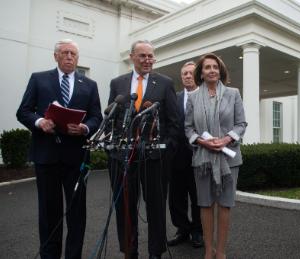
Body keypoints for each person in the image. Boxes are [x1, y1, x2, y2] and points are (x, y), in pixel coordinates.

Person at [16, 39, 102, 259]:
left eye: (73, 53)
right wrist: (39, 122)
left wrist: (84, 128)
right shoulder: (38, 79)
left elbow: (96, 117)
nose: (69, 57)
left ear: (78, 58)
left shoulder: (89, 85)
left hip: (77, 158)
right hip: (47, 157)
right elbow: (24, 111)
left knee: (76, 213)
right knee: (48, 213)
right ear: (55, 56)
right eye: (65, 52)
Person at [107, 40, 179, 259]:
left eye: (151, 56)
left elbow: (174, 122)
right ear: (132, 57)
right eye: (143, 56)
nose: (148, 60)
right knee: (125, 207)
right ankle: (130, 251)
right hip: (123, 158)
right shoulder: (117, 83)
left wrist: (164, 151)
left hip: (154, 158)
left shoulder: (165, 83)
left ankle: (155, 252)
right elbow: (111, 118)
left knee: (156, 208)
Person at [184, 53, 247, 259]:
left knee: (225, 204)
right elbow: (188, 128)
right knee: (205, 203)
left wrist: (226, 139)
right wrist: (202, 141)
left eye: (215, 67)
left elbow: (241, 124)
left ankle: (221, 252)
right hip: (202, 158)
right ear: (200, 73)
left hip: (229, 158)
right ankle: (208, 252)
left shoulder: (233, 93)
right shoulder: (193, 97)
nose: (212, 70)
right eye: (207, 67)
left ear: (221, 71)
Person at [167, 61, 203, 248]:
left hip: (199, 156)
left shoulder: (207, 97)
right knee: (176, 197)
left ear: (197, 75)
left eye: (191, 73)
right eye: (184, 74)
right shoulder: (174, 97)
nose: (187, 76)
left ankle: (198, 231)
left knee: (198, 197)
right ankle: (182, 229)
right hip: (176, 157)